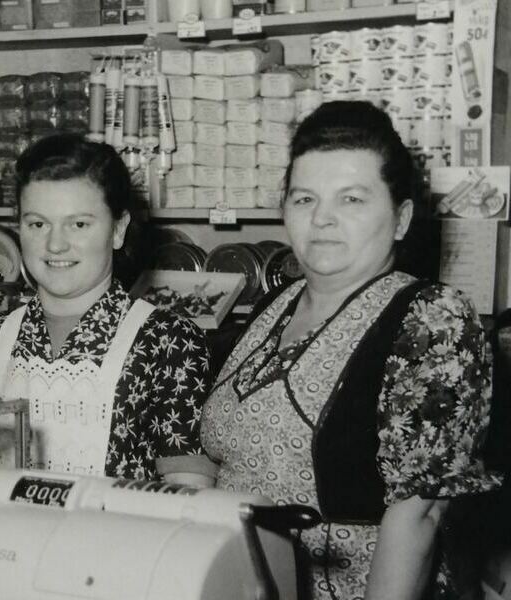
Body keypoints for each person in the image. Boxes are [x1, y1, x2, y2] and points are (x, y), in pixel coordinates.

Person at [200, 101, 502, 600]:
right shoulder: (276, 303)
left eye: (352, 200)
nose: (322, 219)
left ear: (401, 218)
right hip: (243, 582)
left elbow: (420, 512)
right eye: (304, 200)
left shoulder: (433, 319)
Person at [0, 134, 214, 485]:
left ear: (118, 229)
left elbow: (187, 490)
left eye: (79, 224)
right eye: (38, 224)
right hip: (3, 538)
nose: (55, 244)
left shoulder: (169, 343)